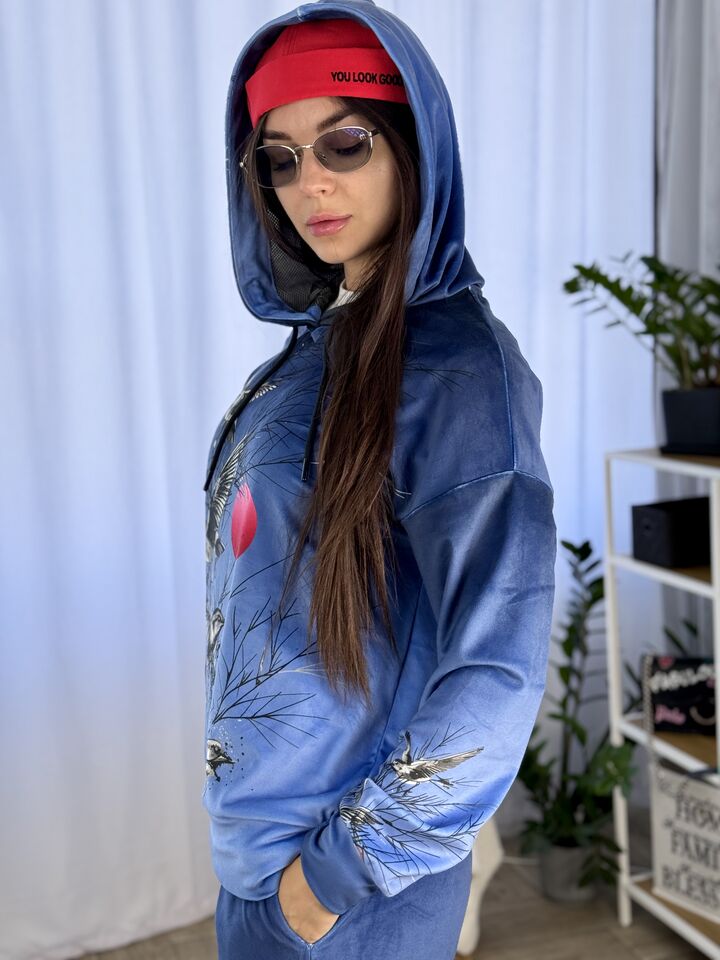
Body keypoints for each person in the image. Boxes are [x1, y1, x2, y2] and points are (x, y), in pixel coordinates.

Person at [203, 2, 557, 957]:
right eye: (279, 158)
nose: (309, 183)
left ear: (414, 145)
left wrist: (326, 885)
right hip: (261, 866)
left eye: (344, 143)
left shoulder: (460, 372)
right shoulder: (315, 353)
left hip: (349, 895)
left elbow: (498, 668)